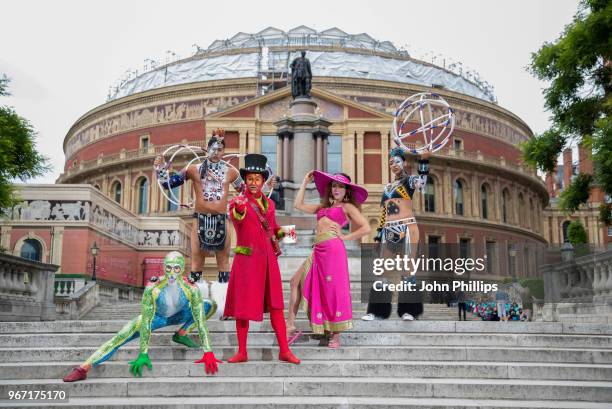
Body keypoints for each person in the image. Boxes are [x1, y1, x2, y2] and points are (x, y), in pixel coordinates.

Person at [63, 251, 220, 382]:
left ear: (182, 269)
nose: (172, 272)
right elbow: (146, 321)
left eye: (177, 268)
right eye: (169, 268)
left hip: (180, 314)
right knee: (121, 335)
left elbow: (200, 321)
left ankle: (181, 334)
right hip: (157, 317)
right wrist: (143, 353)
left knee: (210, 305)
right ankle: (83, 368)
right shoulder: (153, 287)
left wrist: (208, 351)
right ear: (164, 268)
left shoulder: (191, 288)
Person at [155, 129, 243, 318]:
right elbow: (168, 184)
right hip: (200, 219)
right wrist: (160, 169)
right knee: (196, 264)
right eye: (213, 148)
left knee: (223, 264)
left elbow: (246, 191)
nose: (216, 152)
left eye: (220, 149)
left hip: (222, 220)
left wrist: (265, 188)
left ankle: (225, 308)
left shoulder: (231, 171)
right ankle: (193, 307)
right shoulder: (194, 169)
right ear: (206, 149)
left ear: (224, 151)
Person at [224, 154, 300, 364]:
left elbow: (273, 230)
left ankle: (284, 350)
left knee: (276, 306)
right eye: (250, 179)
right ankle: (242, 352)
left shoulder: (270, 204)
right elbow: (237, 217)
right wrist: (238, 207)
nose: (254, 183)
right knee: (242, 308)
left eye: (258, 179)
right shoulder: (237, 202)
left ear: (262, 181)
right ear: (246, 181)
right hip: (247, 263)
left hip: (268, 262)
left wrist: (292, 235)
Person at [286, 171, 370, 348]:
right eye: (334, 185)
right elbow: (298, 205)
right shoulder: (322, 207)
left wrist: (345, 237)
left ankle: (335, 334)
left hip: (333, 250)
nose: (336, 189)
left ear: (346, 190)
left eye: (340, 186)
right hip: (318, 250)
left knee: (333, 290)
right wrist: (304, 181)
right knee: (294, 281)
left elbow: (366, 228)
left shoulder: (347, 207)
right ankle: (290, 326)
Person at [362, 147, 430, 321]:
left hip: (407, 228)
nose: (393, 165)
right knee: (382, 270)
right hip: (389, 231)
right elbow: (383, 212)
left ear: (404, 162)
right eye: (391, 162)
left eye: (397, 161)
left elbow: (422, 184)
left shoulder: (410, 180)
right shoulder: (387, 187)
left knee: (408, 270)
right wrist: (378, 236)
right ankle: (378, 311)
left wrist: (423, 161)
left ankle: (409, 311)